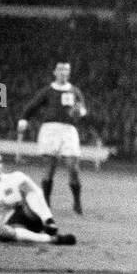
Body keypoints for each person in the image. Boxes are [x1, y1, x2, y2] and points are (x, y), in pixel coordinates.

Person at [0, 151, 76, 245]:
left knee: (27, 188)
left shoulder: (16, 176)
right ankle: (53, 239)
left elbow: (37, 193)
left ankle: (49, 222)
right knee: (4, 231)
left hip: (32, 214)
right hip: (13, 226)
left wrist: (46, 217)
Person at [18, 62, 88, 214]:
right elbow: (33, 105)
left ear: (69, 73)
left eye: (67, 70)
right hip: (50, 130)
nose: (64, 72)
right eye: (61, 69)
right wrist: (24, 119)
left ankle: (76, 202)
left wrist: (80, 112)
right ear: (55, 72)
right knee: (49, 169)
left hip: (68, 130)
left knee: (73, 168)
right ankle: (46, 204)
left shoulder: (74, 90)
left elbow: (82, 108)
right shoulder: (48, 91)